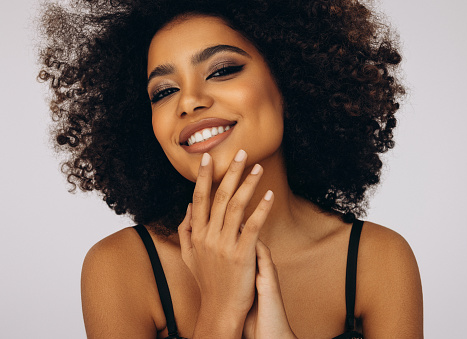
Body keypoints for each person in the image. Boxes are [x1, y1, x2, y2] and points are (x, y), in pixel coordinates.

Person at [38, 0, 423, 337]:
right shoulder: (120, 268)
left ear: (288, 83)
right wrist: (221, 311)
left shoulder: (378, 261)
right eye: (164, 91)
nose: (188, 102)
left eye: (222, 70)